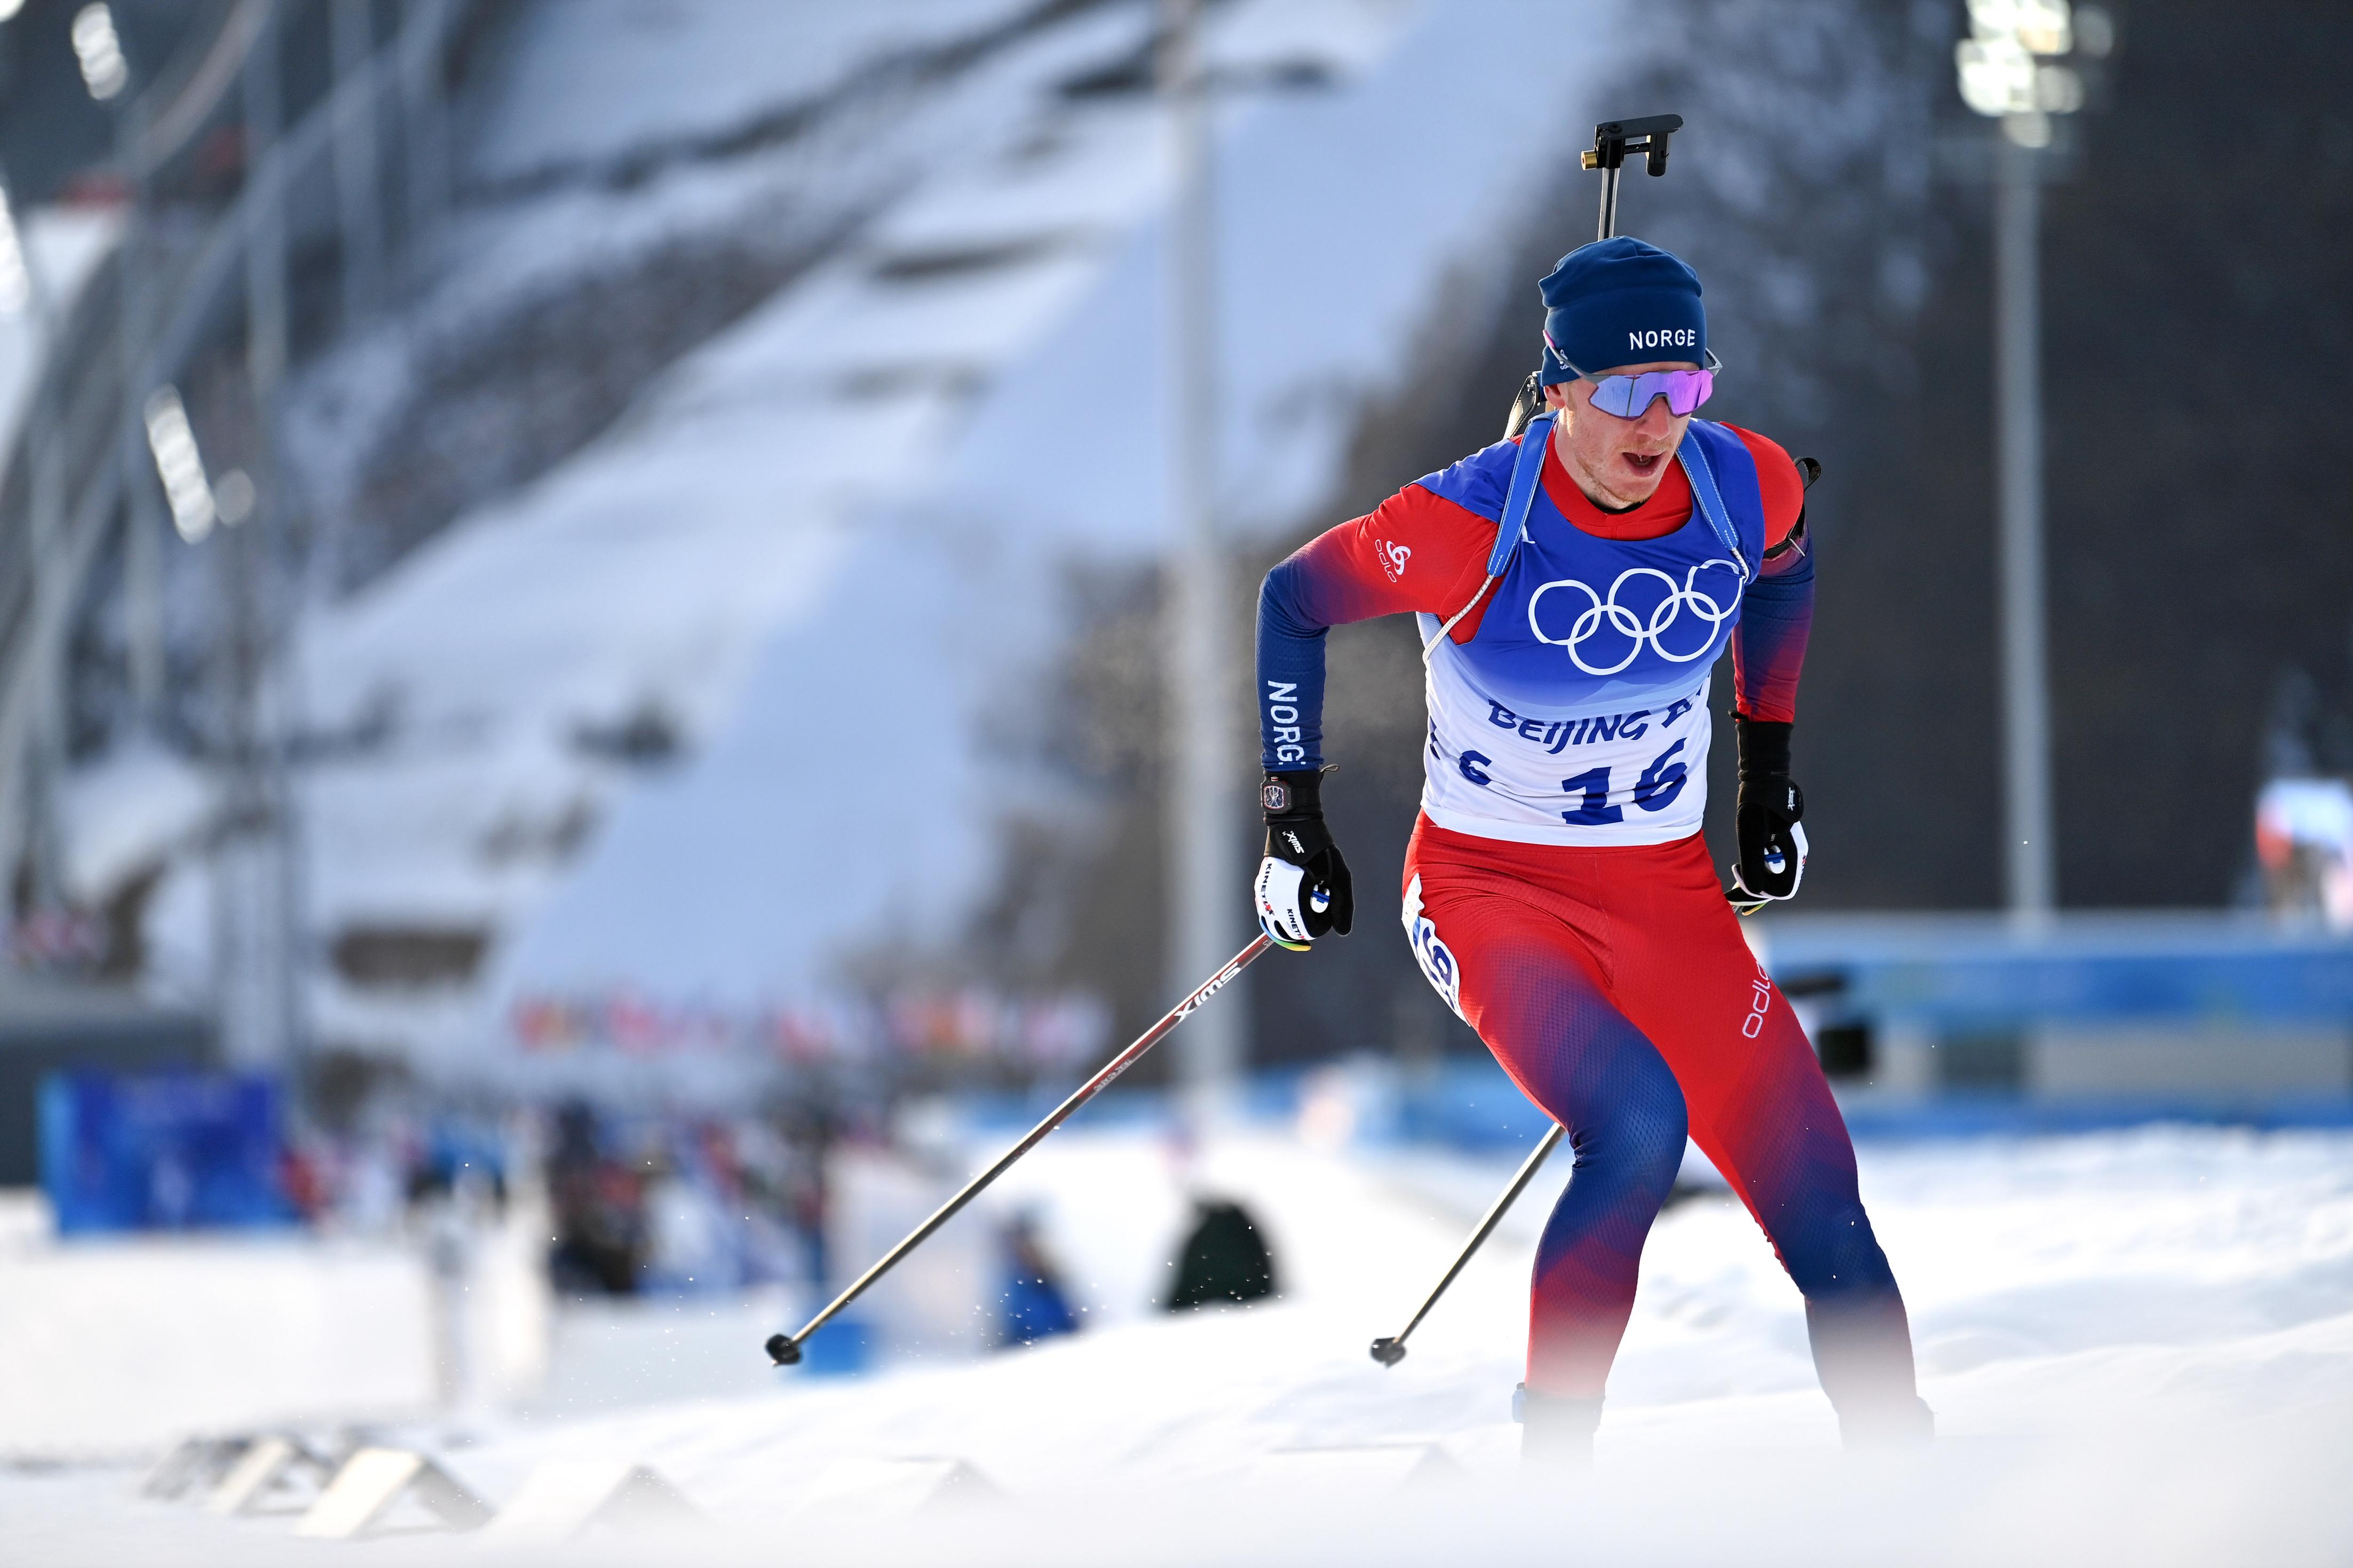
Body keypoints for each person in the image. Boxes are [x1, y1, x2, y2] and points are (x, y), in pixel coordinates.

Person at [1250, 236, 1929, 1459]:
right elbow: (1290, 600)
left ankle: (1911, 1482)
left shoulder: (1743, 483)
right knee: (1634, 1124)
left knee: (1820, 1191)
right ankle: (1551, 1489)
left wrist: (1766, 779)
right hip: (1489, 892)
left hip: (1668, 898)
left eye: (1684, 389)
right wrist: (1293, 820)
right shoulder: (1464, 520)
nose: (1656, 422)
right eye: (1624, 390)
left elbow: (1785, 570)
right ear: (1559, 386)